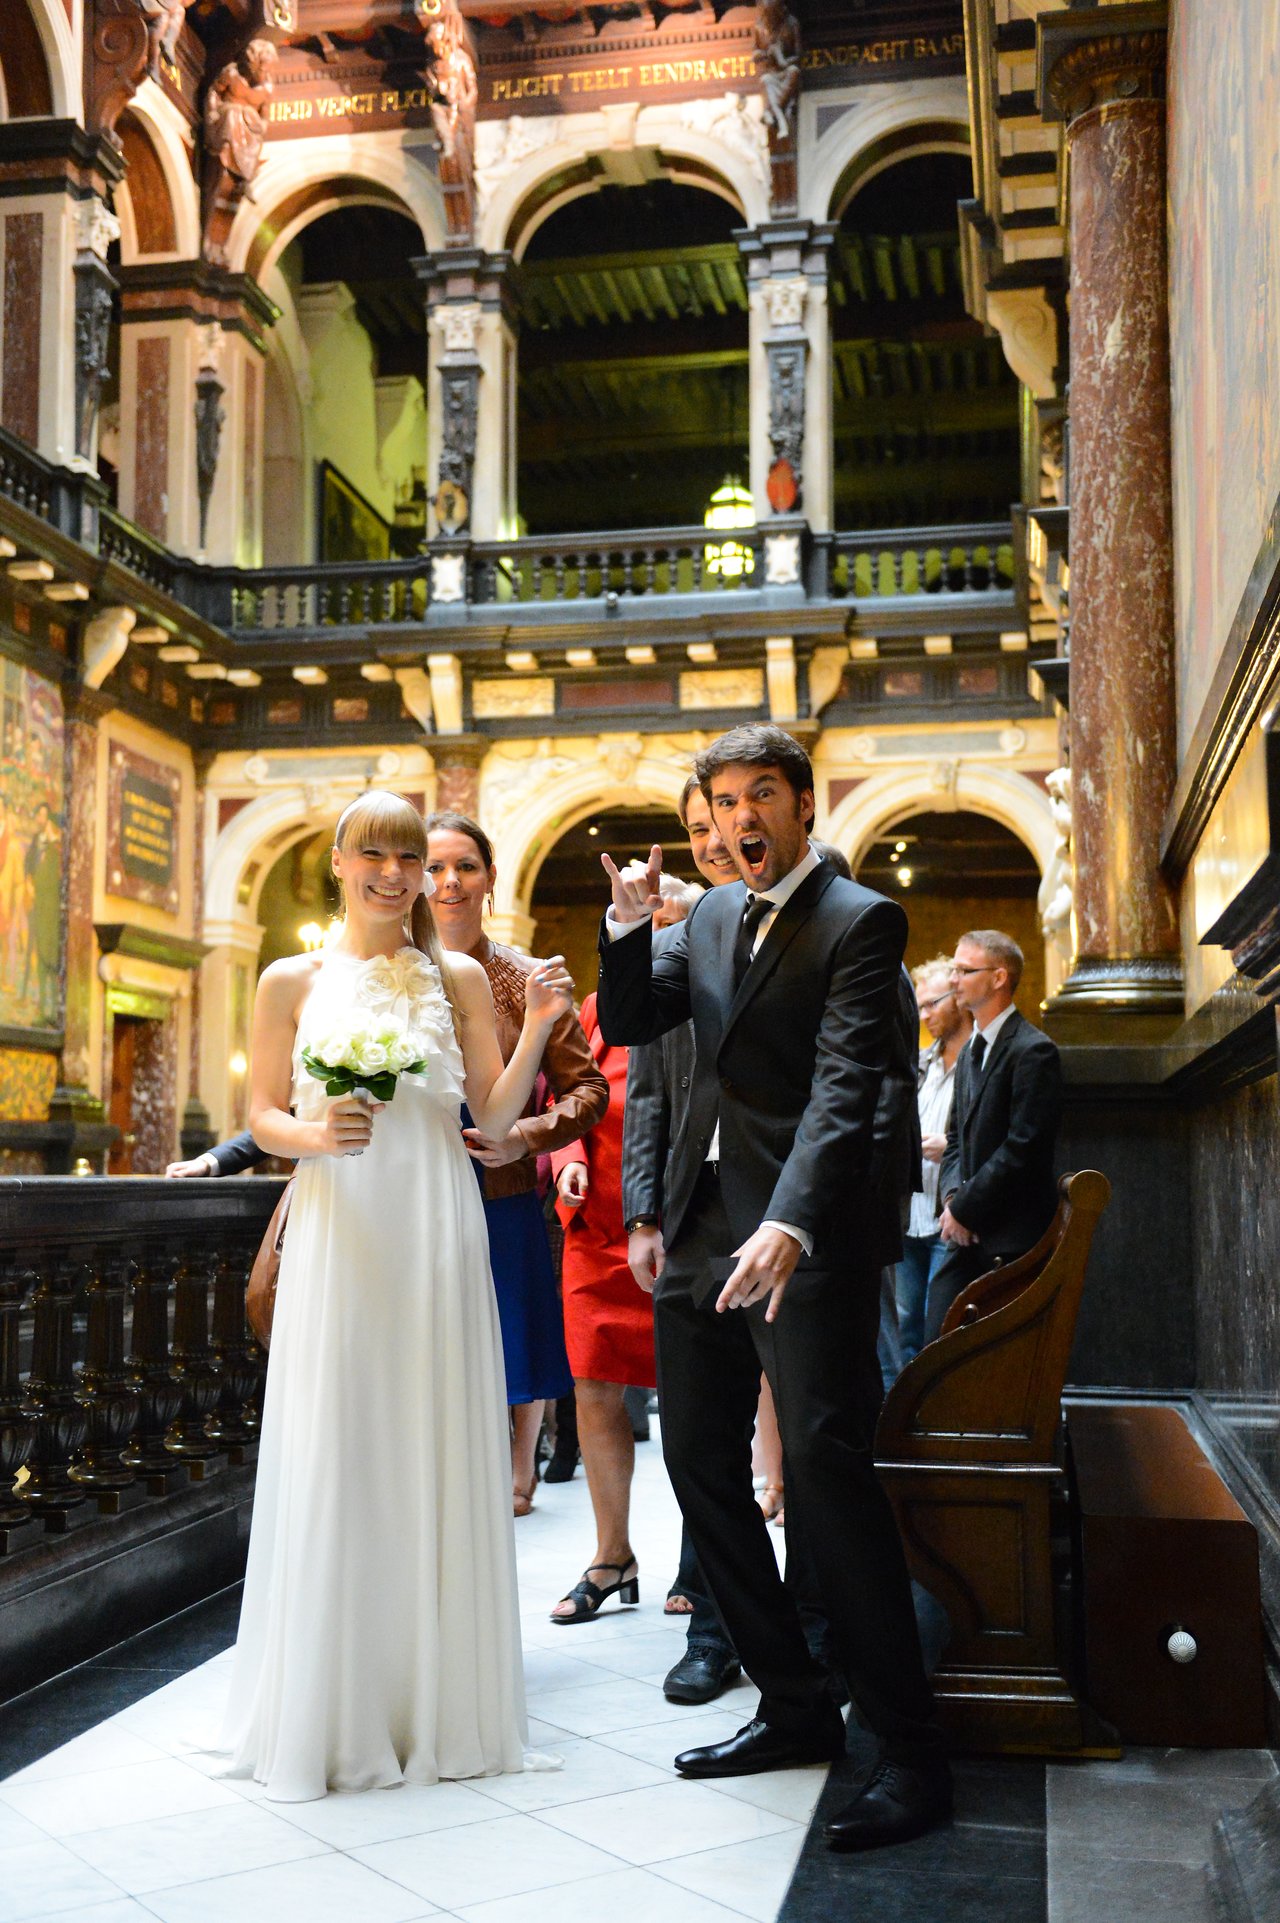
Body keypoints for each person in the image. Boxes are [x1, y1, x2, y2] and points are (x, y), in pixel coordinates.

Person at [596, 723, 948, 1854]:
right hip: (702, 1236)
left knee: (828, 1478)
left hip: (804, 1242)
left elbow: (848, 1089)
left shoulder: (858, 922)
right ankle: (791, 1705)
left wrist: (793, 1221)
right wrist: (621, 927)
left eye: (761, 795)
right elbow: (631, 1022)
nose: (740, 817)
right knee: (697, 1467)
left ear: (801, 804)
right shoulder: (700, 915)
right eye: (722, 799)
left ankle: (905, 1749)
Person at [216, 789, 574, 1801]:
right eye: (372, 853)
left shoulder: (456, 975)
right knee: (342, 1434)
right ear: (338, 859)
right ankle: (330, 1696)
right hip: (341, 1223)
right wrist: (312, 1135)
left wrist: (543, 1023)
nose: (393, 872)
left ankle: (430, 1698)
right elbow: (261, 1113)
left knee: (427, 1431)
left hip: (434, 1220)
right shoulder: (289, 978)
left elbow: (497, 1121)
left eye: (408, 857)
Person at [424, 811, 608, 1515]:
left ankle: (519, 1463)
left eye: (466, 866)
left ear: (491, 878)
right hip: (413, 1185)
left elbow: (588, 1089)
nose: (450, 882)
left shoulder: (529, 976)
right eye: (435, 867)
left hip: (499, 1184)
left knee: (513, 1342)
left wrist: (527, 1136)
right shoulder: (396, 975)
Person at [549, 866, 701, 1625]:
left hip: (682, 1224)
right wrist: (567, 1159)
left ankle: (698, 1559)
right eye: (644, 914)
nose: (657, 923)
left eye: (668, 911)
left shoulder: (709, 1001)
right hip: (599, 1228)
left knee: (697, 1398)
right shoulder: (598, 1005)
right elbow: (567, 1095)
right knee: (594, 1388)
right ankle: (612, 1556)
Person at [925, 929, 1063, 1345]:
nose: (954, 980)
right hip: (965, 1233)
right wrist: (952, 1202)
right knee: (934, 1344)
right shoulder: (970, 1051)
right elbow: (955, 1140)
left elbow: (1023, 1148)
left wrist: (966, 1208)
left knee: (998, 1359)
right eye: (953, 970)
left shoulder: (1033, 1051)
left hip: (1011, 1238)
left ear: (999, 978)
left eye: (964, 970)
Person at [895, 957, 973, 1367]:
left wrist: (952, 1146)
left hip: (951, 1215)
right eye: (919, 1006)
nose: (924, 1015)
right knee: (905, 1324)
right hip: (912, 1212)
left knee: (942, 1326)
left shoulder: (982, 1059)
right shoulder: (921, 1062)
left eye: (932, 1004)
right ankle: (904, 1423)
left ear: (958, 998)